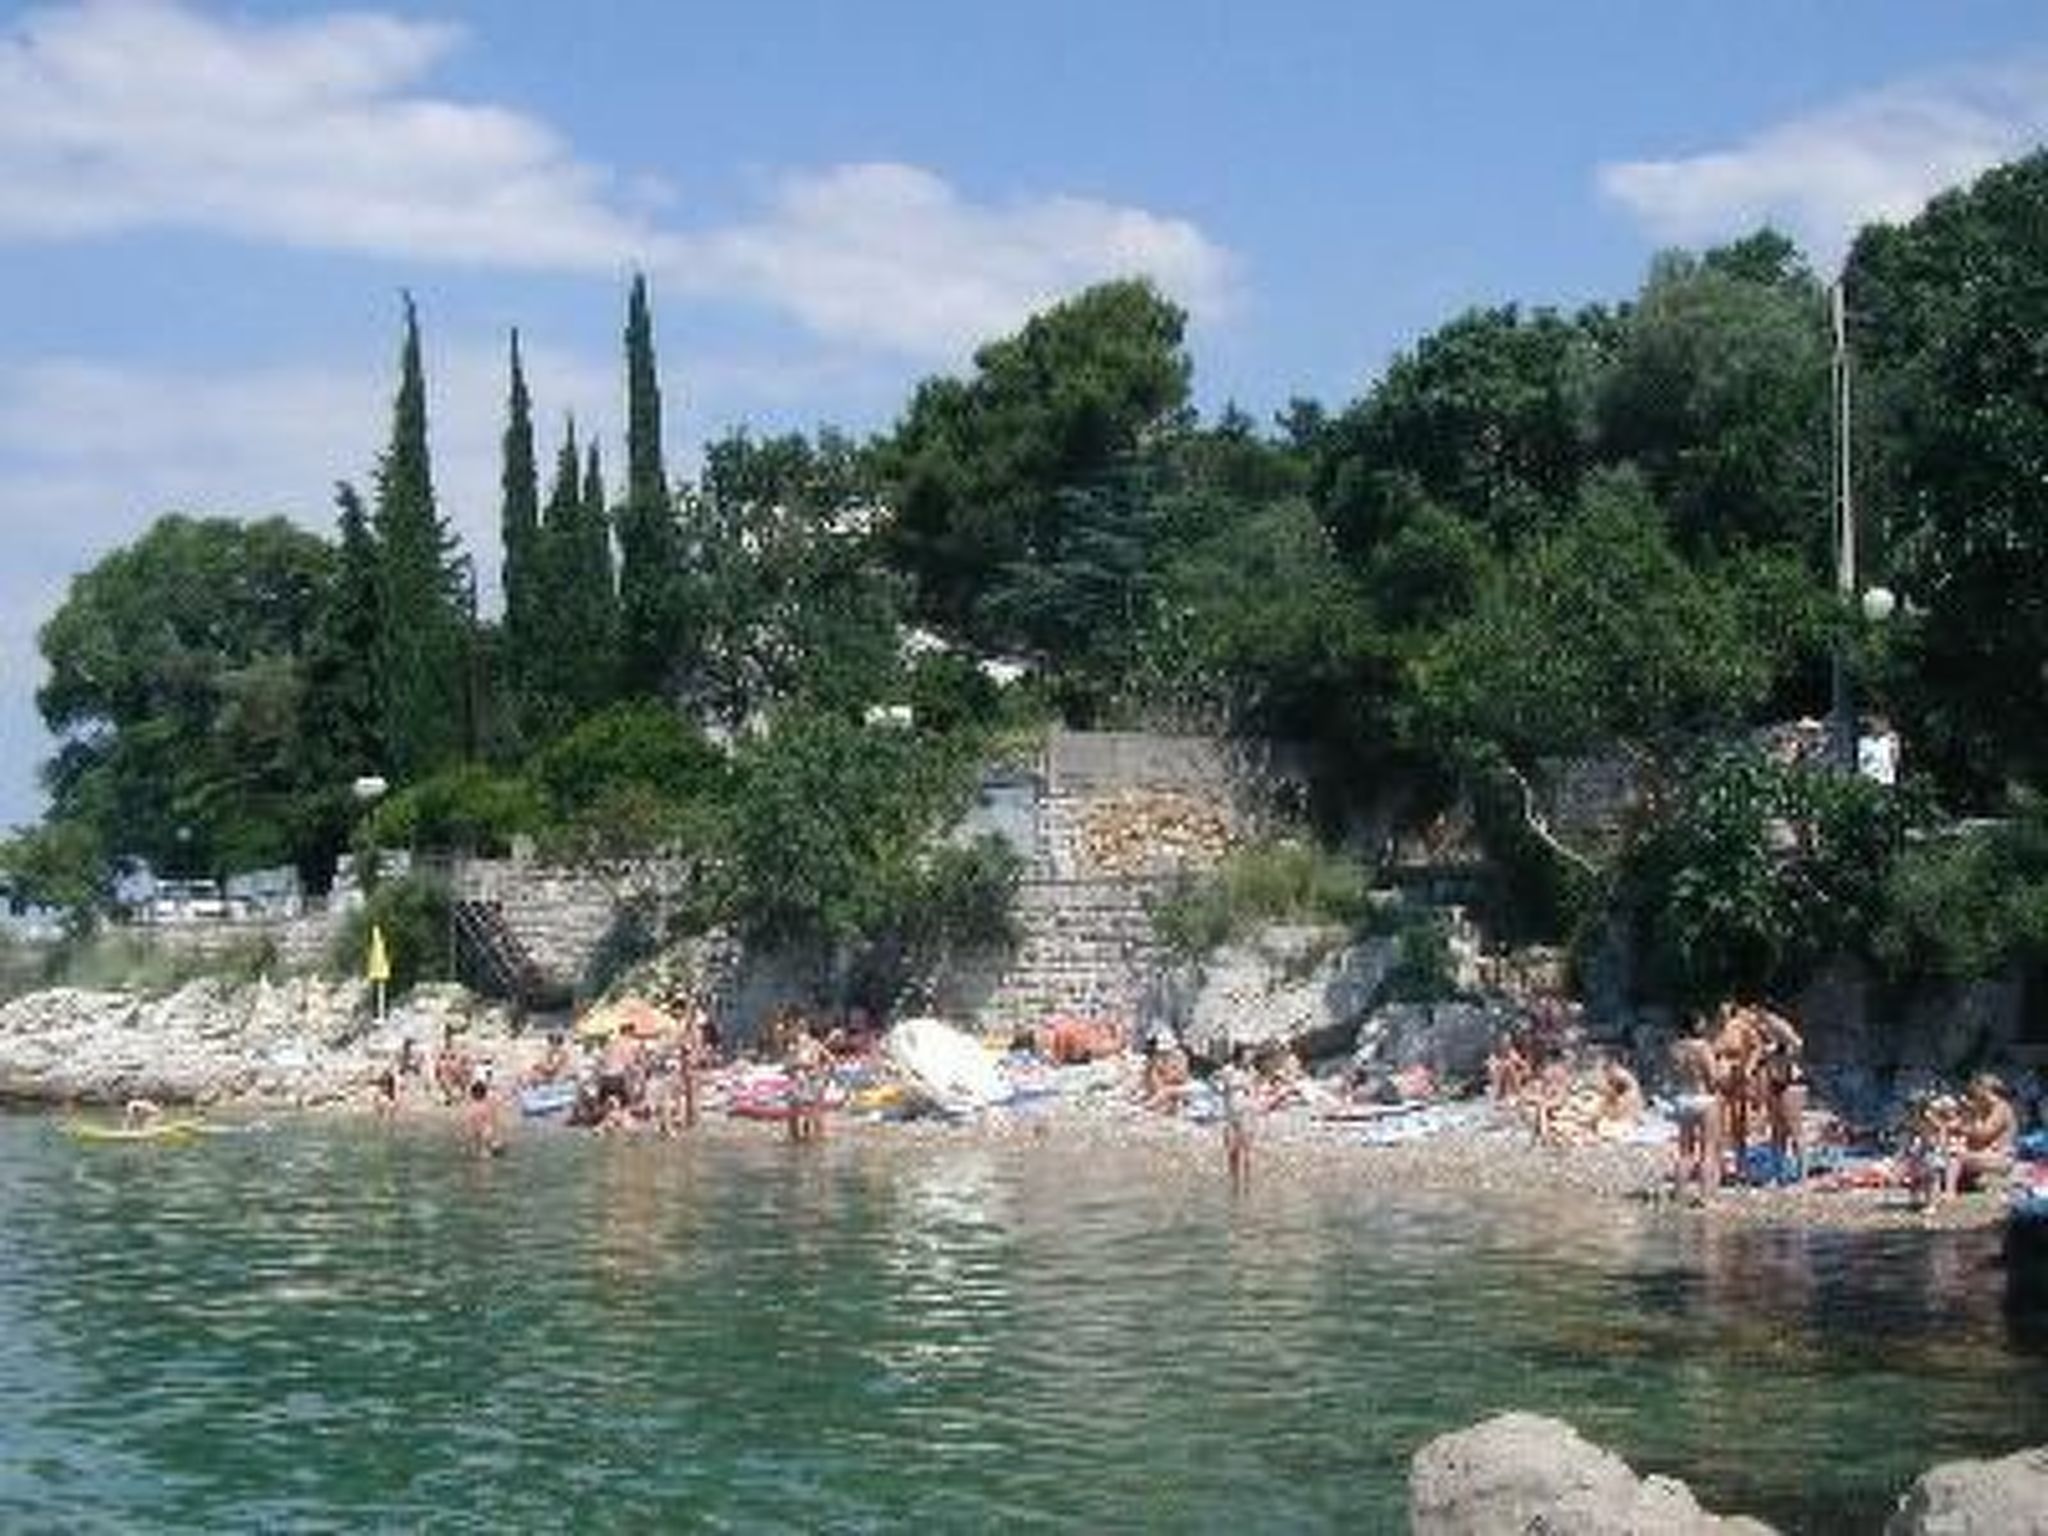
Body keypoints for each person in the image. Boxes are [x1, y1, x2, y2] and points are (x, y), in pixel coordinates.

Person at [1670, 1034, 1723, 1204]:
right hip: (1704, 1099)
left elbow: (1675, 1074)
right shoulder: (1703, 1047)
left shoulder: (1677, 1047)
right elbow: (1713, 1077)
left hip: (1684, 1098)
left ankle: (1678, 1195)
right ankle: (1706, 1197)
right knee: (1708, 1151)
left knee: (1685, 1152)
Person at [1217, 1047, 1258, 1191]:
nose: (1249, 1058)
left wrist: (1254, 1107)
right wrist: (1240, 1084)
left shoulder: (1252, 1071)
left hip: (1247, 1112)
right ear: (1239, 1056)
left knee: (1247, 1149)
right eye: (1247, 1056)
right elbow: (1222, 1087)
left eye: (1251, 1056)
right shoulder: (1228, 1070)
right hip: (1230, 1114)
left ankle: (1247, 1182)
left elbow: (1253, 1091)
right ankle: (1234, 1181)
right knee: (1232, 1150)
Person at [461, 1076, 505, 1157]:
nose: (477, 1093)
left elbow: (467, 1123)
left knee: (478, 1152)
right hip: (482, 1132)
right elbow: (493, 1122)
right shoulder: (487, 1104)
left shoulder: (472, 1105)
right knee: (483, 1153)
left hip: (481, 1133)